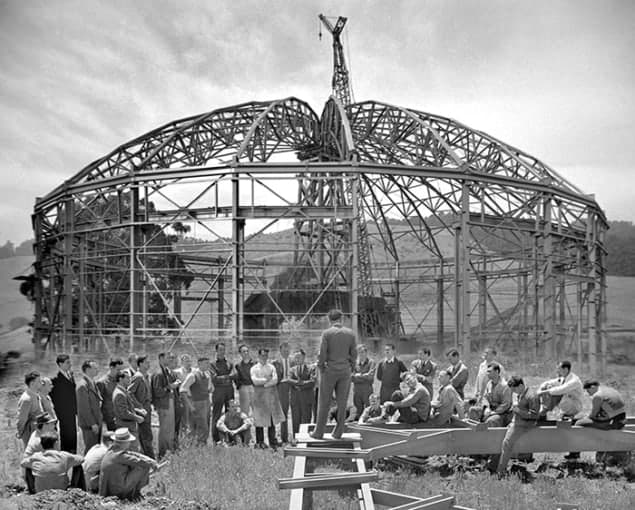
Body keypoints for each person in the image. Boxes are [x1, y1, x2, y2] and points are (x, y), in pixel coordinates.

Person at [312, 309, 358, 440]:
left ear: (329, 319)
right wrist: (352, 367)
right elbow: (354, 353)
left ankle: (319, 432)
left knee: (324, 401)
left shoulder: (327, 333)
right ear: (341, 319)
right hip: (345, 371)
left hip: (330, 370)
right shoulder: (350, 334)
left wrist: (321, 367)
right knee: (342, 402)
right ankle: (338, 432)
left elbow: (322, 353)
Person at [493, 376, 541, 476]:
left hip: (524, 424)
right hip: (518, 422)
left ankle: (500, 472)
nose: (514, 392)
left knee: (507, 443)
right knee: (501, 440)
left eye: (514, 389)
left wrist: (519, 411)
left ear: (521, 385)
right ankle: (494, 467)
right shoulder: (522, 393)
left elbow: (535, 415)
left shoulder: (532, 396)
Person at [538, 360, 585, 460]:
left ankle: (544, 411)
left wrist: (544, 392)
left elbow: (561, 390)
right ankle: (544, 411)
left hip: (574, 407)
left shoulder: (574, 381)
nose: (557, 370)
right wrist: (543, 386)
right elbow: (551, 382)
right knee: (550, 387)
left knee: (554, 393)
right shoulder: (564, 378)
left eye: (559, 368)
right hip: (566, 407)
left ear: (565, 369)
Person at [99, 428, 160, 500]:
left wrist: (150, 460)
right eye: (129, 441)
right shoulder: (120, 455)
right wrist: (152, 464)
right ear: (124, 442)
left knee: (139, 465)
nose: (130, 443)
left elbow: (132, 454)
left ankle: (133, 492)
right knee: (143, 466)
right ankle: (135, 494)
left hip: (109, 489)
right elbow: (139, 461)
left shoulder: (112, 450)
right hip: (117, 490)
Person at [250, 348, 285, 448]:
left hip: (270, 397)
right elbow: (254, 381)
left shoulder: (271, 367)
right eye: (262, 355)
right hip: (259, 398)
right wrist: (266, 379)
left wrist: (264, 384)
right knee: (259, 419)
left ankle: (272, 441)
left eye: (266, 355)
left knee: (272, 420)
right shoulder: (254, 368)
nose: (264, 357)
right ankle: (260, 442)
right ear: (259, 356)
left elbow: (275, 379)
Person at [151, 352, 180, 458]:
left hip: (168, 403)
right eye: (168, 358)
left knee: (169, 429)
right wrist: (170, 387)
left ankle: (169, 449)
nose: (170, 360)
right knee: (165, 429)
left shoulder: (166, 372)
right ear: (161, 358)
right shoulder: (159, 373)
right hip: (164, 404)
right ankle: (163, 452)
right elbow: (157, 391)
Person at [180, 356, 212, 444]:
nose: (208, 365)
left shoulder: (207, 374)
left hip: (206, 402)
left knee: (206, 425)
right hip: (197, 403)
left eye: (208, 363)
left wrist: (210, 388)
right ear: (199, 364)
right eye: (206, 363)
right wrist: (190, 406)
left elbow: (209, 388)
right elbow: (182, 390)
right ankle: (197, 446)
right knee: (201, 426)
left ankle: (202, 445)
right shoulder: (192, 375)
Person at [50, 354, 78, 453]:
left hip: (72, 412)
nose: (70, 364)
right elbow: (53, 398)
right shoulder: (55, 380)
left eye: (70, 362)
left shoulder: (70, 375)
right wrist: (59, 414)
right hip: (63, 414)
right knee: (66, 435)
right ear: (60, 364)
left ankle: (73, 453)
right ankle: (65, 454)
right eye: (67, 362)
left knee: (73, 434)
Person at [128, 355, 154, 458]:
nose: (149, 364)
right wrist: (139, 406)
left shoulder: (146, 376)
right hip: (142, 410)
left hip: (147, 408)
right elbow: (129, 393)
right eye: (147, 362)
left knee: (147, 433)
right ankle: (149, 458)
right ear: (140, 364)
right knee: (145, 434)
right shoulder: (138, 376)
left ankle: (146, 455)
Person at [210, 343, 235, 444]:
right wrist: (228, 377)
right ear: (216, 351)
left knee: (230, 414)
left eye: (224, 350)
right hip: (218, 392)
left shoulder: (230, 363)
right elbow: (214, 379)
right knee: (216, 414)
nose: (222, 352)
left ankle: (230, 437)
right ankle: (216, 439)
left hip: (229, 391)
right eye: (220, 350)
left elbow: (235, 375)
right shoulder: (212, 364)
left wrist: (224, 377)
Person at [76, 360, 103, 453]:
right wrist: (92, 423)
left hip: (96, 422)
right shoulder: (82, 386)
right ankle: (85, 467)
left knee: (96, 449)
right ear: (87, 370)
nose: (98, 370)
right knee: (90, 450)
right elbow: (84, 408)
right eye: (95, 368)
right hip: (90, 425)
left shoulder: (92, 382)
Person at [113, 371, 145, 444]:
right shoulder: (119, 394)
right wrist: (137, 418)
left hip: (128, 427)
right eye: (127, 378)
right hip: (126, 427)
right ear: (120, 379)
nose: (129, 380)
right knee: (132, 449)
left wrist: (138, 410)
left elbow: (126, 408)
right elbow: (124, 413)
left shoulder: (122, 391)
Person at [289, 349, 316, 436]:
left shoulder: (310, 368)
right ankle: (295, 439)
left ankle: (305, 439)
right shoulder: (292, 370)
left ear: (304, 357)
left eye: (299, 357)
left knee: (306, 421)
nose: (297, 359)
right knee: (295, 421)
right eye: (295, 357)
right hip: (295, 400)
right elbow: (289, 380)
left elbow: (312, 382)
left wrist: (300, 384)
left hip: (306, 399)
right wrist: (300, 383)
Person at [16, 371, 44, 447]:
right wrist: (20, 433)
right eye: (39, 381)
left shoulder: (35, 394)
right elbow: (22, 419)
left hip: (37, 431)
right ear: (32, 384)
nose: (41, 383)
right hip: (30, 433)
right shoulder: (26, 399)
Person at [96, 358, 124, 431]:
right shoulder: (101, 382)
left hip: (120, 417)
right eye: (118, 370)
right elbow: (97, 403)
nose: (120, 372)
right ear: (111, 368)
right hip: (109, 419)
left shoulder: (120, 380)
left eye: (121, 370)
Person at [481, 362, 513, 427]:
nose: (487, 374)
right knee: (473, 410)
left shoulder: (505, 386)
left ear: (496, 371)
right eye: (487, 371)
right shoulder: (489, 384)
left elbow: (506, 405)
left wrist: (493, 413)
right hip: (490, 410)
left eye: (489, 371)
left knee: (491, 421)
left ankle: (488, 436)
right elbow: (485, 398)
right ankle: (474, 434)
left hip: (503, 414)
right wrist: (487, 408)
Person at [351, 344, 376, 420]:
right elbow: (351, 378)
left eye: (362, 352)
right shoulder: (354, 364)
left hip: (367, 390)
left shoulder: (371, 362)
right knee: (358, 411)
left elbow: (370, 377)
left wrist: (358, 376)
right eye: (359, 352)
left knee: (370, 410)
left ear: (366, 353)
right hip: (357, 391)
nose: (361, 354)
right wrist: (365, 375)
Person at [233, 344, 255, 415]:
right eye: (243, 351)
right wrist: (240, 386)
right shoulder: (238, 365)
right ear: (240, 353)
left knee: (257, 410)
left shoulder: (255, 364)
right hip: (243, 388)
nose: (246, 353)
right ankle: (245, 425)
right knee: (244, 412)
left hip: (254, 388)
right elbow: (236, 378)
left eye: (247, 351)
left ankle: (258, 426)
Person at [174, 353, 193, 436]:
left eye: (189, 361)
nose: (188, 363)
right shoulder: (177, 372)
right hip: (184, 398)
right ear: (182, 362)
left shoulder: (194, 371)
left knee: (193, 419)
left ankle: (192, 438)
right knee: (184, 419)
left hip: (193, 398)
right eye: (186, 361)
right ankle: (183, 438)